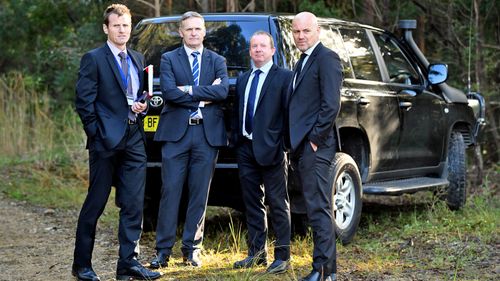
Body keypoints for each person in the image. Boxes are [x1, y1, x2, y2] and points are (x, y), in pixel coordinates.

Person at [73, 4, 160, 281]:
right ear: (106, 28)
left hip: (134, 138)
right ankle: (82, 266)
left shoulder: (136, 57)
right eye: (117, 25)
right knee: (95, 204)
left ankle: (128, 265)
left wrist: (141, 107)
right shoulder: (94, 58)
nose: (122, 30)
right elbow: (84, 102)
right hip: (105, 142)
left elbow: (140, 96)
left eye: (126, 25)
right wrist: (96, 134)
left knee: (134, 204)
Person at [150, 11, 229, 269]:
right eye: (189, 29)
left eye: (198, 29)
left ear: (204, 32)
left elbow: (223, 91)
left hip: (206, 136)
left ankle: (192, 249)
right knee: (170, 191)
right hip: (176, 136)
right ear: (181, 32)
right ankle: (162, 251)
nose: (194, 33)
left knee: (199, 193)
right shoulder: (169, 58)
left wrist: (190, 90)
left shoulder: (217, 60)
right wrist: (204, 95)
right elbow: (171, 93)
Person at [287, 12, 343, 281]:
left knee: (318, 208)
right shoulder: (302, 61)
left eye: (305, 31)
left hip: (317, 147)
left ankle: (324, 272)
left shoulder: (326, 58)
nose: (300, 36)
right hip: (303, 147)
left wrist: (313, 140)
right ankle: (325, 270)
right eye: (296, 31)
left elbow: (331, 105)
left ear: (317, 30)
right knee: (313, 207)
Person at [231, 31, 293, 274]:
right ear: (249, 51)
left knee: (278, 204)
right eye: (254, 46)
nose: (258, 50)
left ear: (272, 50)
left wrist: (284, 145)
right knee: (252, 203)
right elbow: (238, 111)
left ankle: (283, 256)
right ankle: (257, 254)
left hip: (273, 150)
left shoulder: (284, 78)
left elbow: (289, 115)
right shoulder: (244, 79)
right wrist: (236, 140)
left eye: (263, 46)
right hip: (245, 148)